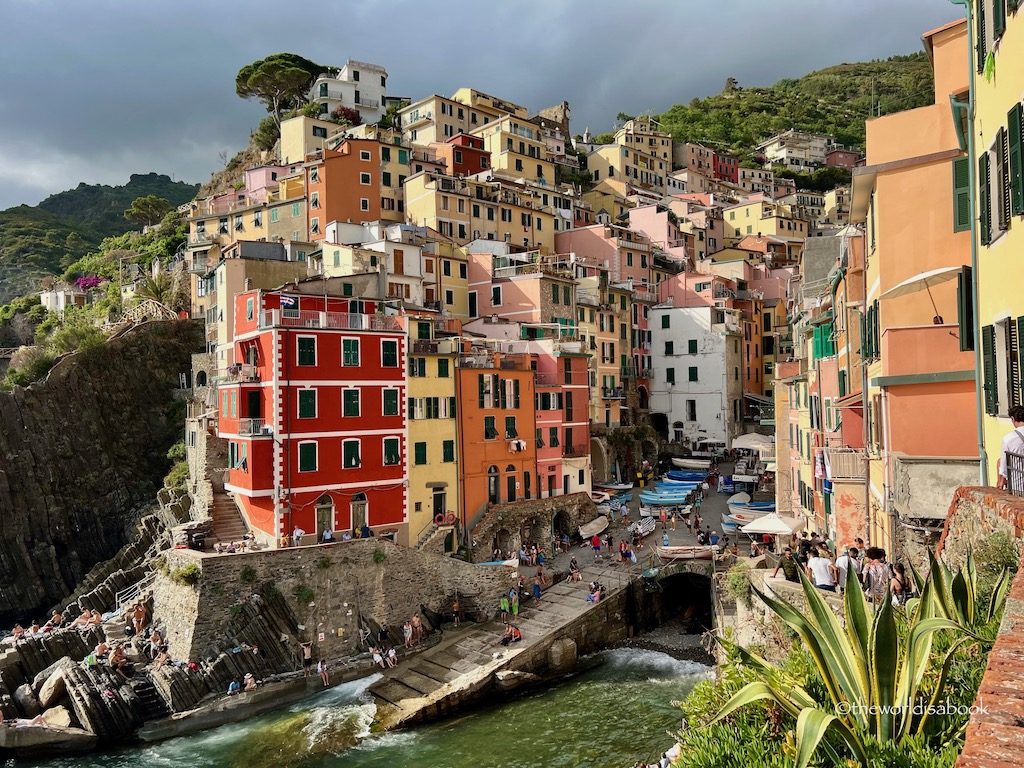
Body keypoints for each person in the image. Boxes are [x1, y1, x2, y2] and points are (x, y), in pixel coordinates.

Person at [998, 405, 1024, 491]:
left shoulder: (1009, 438)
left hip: (1018, 485)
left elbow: (1003, 466)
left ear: (1013, 418)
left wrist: (1001, 483)